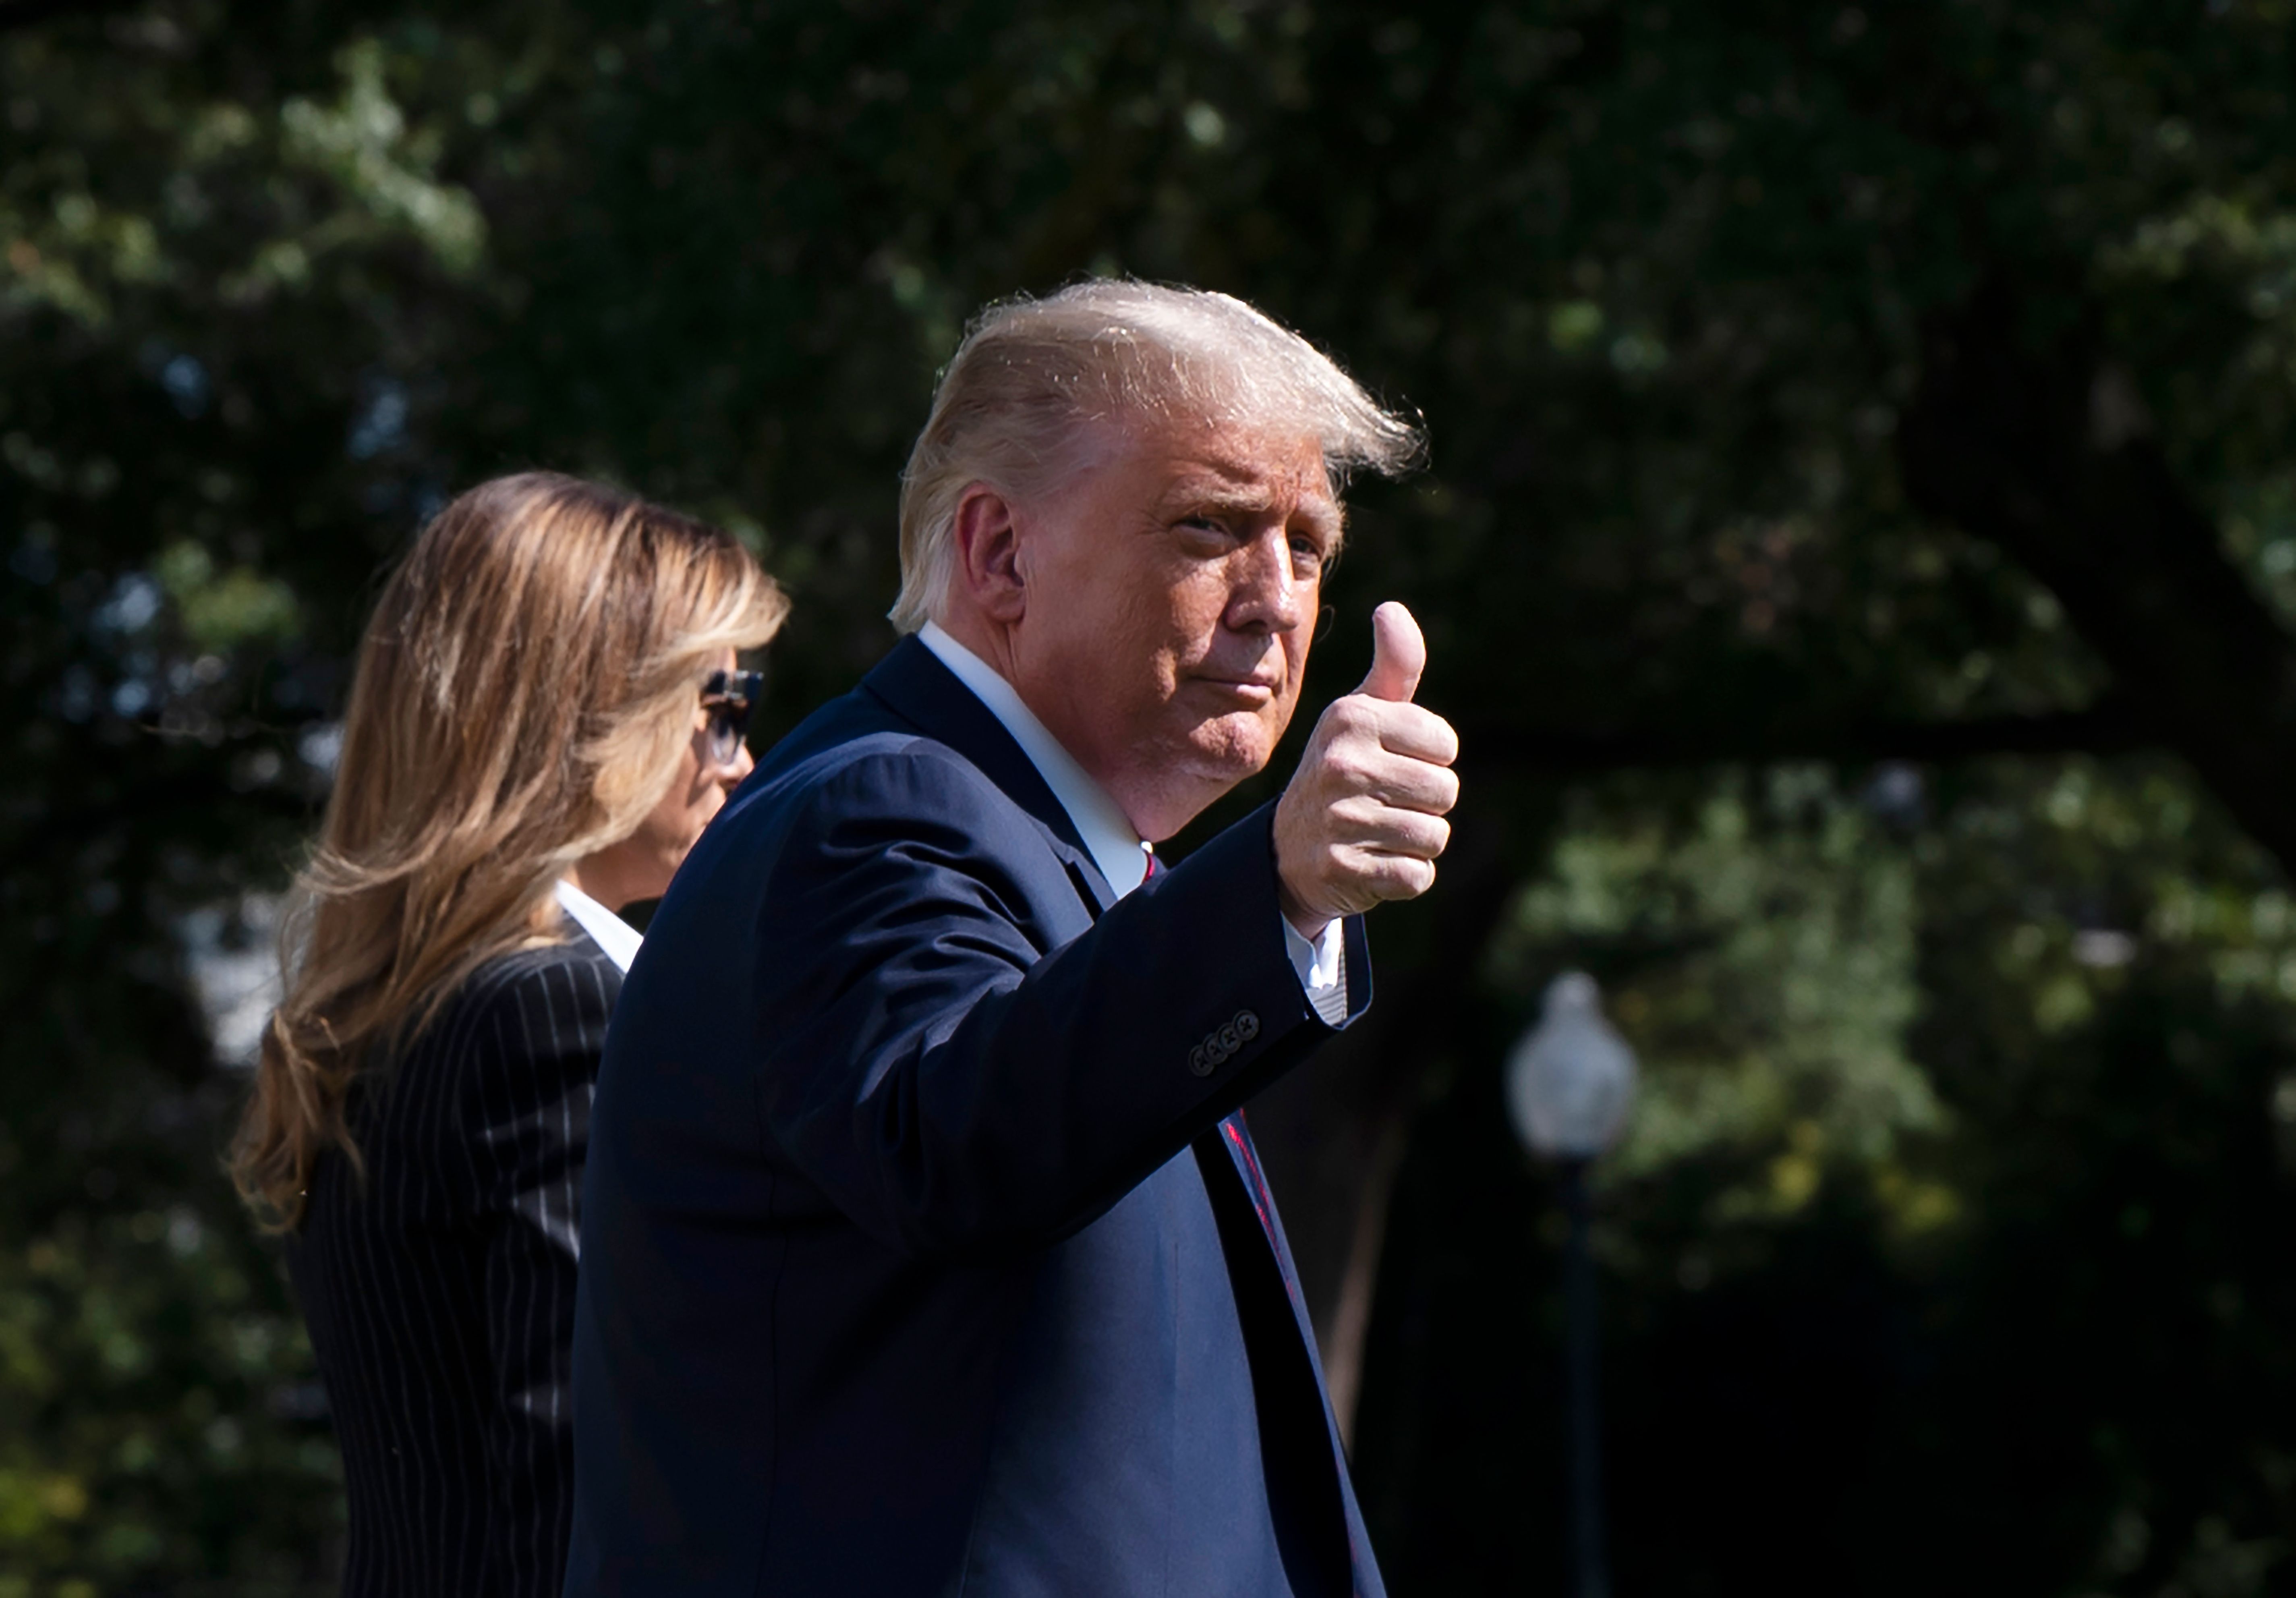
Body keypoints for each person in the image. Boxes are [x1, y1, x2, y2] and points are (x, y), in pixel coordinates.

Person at [567, 282, 1459, 1596]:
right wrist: (1272, 889)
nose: (1277, 601)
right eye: (1210, 526)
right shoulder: (882, 806)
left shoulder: (1056, 856)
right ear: (999, 556)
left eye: (1310, 545)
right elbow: (957, 1144)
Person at [229, 472, 787, 1598]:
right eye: (720, 704)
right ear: (590, 716)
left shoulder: (394, 1016)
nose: (741, 759)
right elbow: (582, 1487)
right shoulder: (558, 1009)